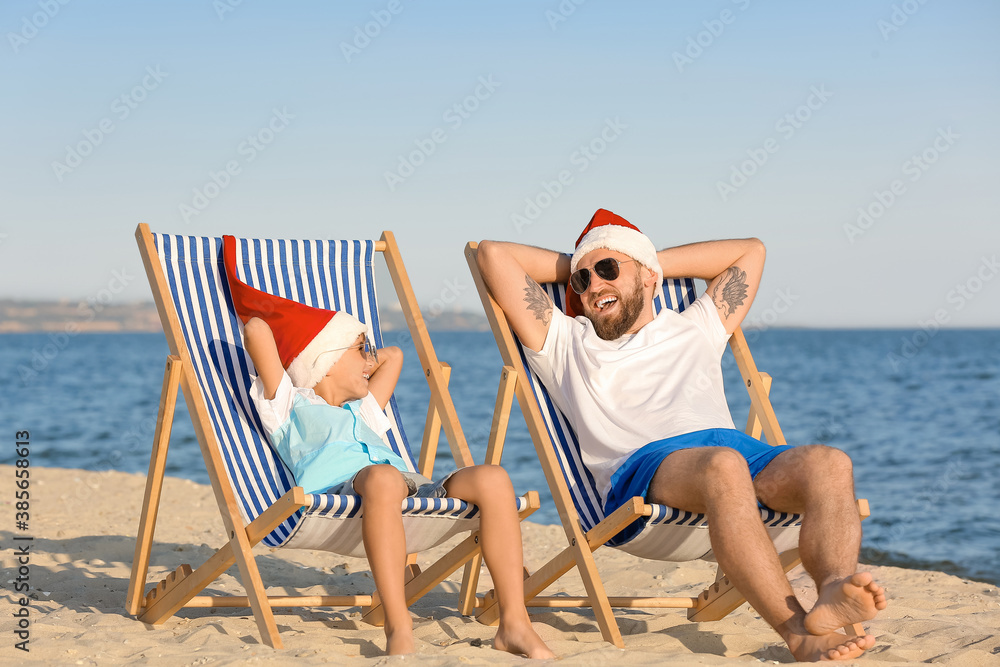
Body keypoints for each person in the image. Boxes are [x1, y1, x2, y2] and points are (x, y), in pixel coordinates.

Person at [475, 209, 887, 662]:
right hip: (643, 468)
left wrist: (646, 259)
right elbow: (493, 254)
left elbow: (752, 250)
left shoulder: (696, 324)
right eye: (581, 281)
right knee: (722, 467)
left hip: (735, 453)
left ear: (650, 276)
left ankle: (831, 591)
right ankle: (797, 631)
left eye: (608, 270)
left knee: (830, 462)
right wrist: (595, 262)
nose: (592, 286)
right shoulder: (565, 342)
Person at [222, 236, 553, 659]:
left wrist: (355, 353)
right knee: (381, 478)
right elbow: (256, 331)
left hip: (411, 490)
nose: (369, 359)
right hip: (343, 496)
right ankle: (399, 625)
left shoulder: (363, 411)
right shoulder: (288, 405)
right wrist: (317, 346)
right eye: (361, 350)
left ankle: (514, 624)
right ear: (323, 358)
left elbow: (394, 356)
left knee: (493, 477)